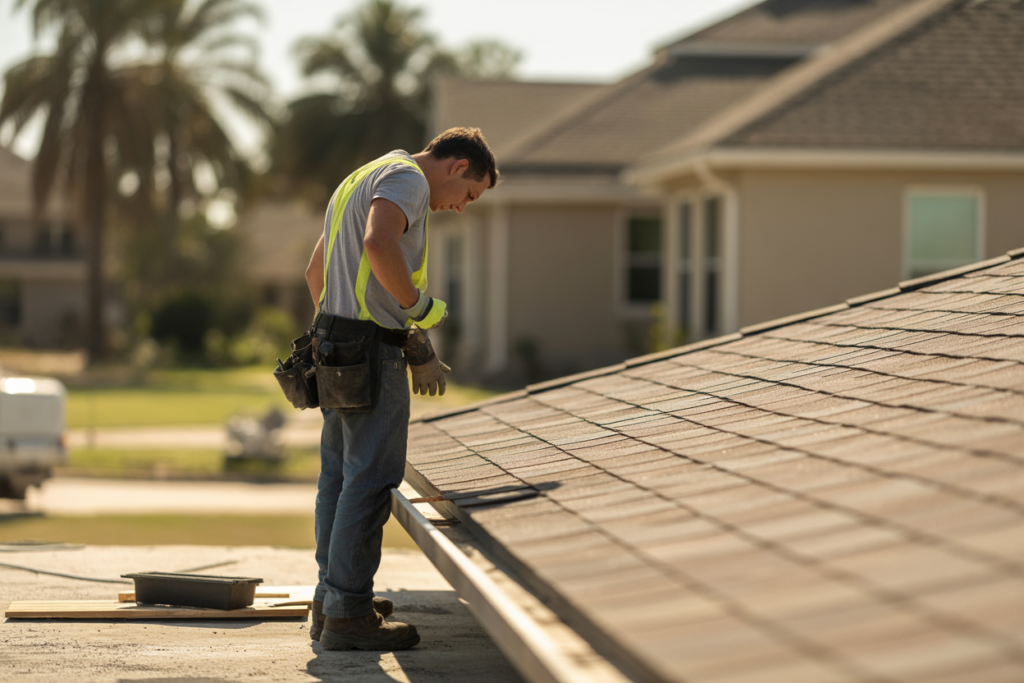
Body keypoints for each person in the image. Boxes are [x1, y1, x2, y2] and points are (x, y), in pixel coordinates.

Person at [302, 127, 498, 651]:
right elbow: (378, 242)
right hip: (370, 351)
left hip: (333, 342)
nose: (461, 207)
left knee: (338, 478)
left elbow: (316, 272)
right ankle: (348, 614)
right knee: (370, 480)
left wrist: (344, 327)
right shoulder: (408, 179)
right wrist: (416, 310)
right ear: (457, 166)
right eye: (469, 194)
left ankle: (331, 598)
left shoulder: (362, 176)